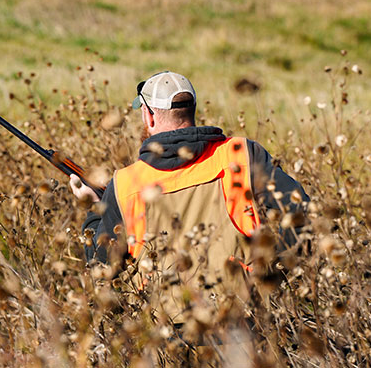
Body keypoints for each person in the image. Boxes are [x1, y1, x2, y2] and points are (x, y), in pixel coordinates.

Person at [69, 71, 308, 326]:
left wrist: (96, 209)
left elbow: (101, 269)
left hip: (166, 336)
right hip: (247, 323)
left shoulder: (126, 184)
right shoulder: (241, 154)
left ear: (148, 116)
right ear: (192, 109)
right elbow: (302, 214)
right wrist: (272, 279)